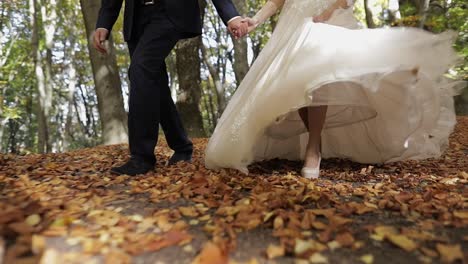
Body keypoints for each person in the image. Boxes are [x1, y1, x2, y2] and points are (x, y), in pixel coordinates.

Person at [205, 0, 462, 178]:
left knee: (316, 77)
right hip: (291, 27)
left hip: (325, 21)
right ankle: (313, 143)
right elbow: (278, 0)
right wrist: (256, 20)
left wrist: (326, 12)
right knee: (297, 85)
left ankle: (313, 147)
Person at [93, 0, 248, 175]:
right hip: (136, 18)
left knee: (141, 68)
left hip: (170, 12)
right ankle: (182, 146)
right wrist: (104, 23)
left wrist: (230, 15)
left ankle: (141, 157)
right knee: (152, 81)